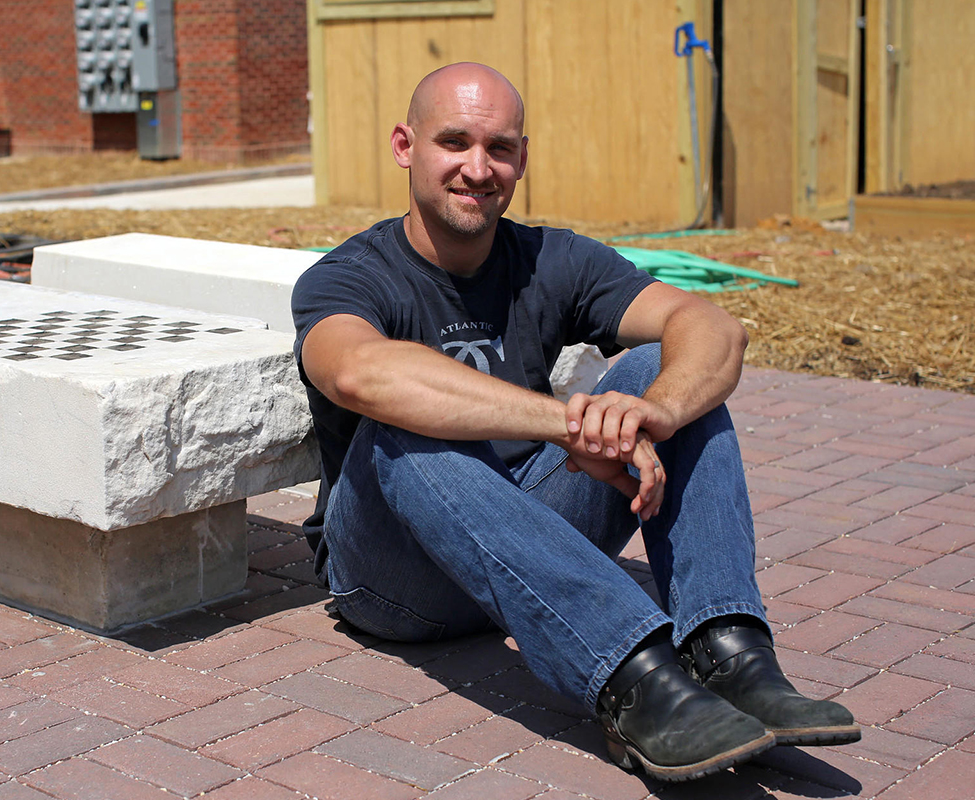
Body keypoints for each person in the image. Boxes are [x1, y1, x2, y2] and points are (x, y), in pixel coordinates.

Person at [290, 62, 858, 782]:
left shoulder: (550, 258)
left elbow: (710, 324)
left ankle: (729, 652)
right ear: (406, 146)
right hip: (397, 582)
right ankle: (637, 681)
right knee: (401, 428)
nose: (477, 167)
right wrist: (570, 426)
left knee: (659, 368)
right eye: (454, 142)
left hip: (530, 531)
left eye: (499, 148)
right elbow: (359, 373)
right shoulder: (349, 275)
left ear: (521, 160)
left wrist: (656, 411)